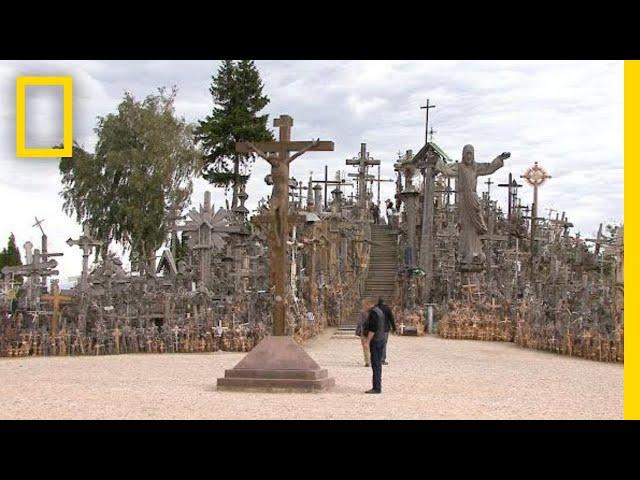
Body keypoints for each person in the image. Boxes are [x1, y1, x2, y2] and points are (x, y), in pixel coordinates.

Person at [363, 296, 387, 394]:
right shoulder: (379, 311)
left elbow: (373, 329)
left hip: (376, 341)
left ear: (369, 304)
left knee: (376, 364)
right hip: (381, 339)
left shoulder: (373, 313)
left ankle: (376, 387)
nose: (363, 308)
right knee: (377, 365)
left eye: (364, 305)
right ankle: (377, 385)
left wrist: (367, 341)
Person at [377, 297, 396, 365]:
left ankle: (376, 358)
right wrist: (394, 328)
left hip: (376, 329)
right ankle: (382, 359)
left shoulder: (375, 308)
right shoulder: (387, 308)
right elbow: (391, 318)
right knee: (384, 344)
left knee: (375, 343)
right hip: (385, 329)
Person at [355, 298, 374, 367]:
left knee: (365, 346)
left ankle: (367, 361)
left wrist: (358, 330)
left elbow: (359, 322)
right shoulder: (373, 312)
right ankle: (370, 360)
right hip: (372, 331)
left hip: (365, 331)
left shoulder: (362, 312)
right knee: (370, 346)